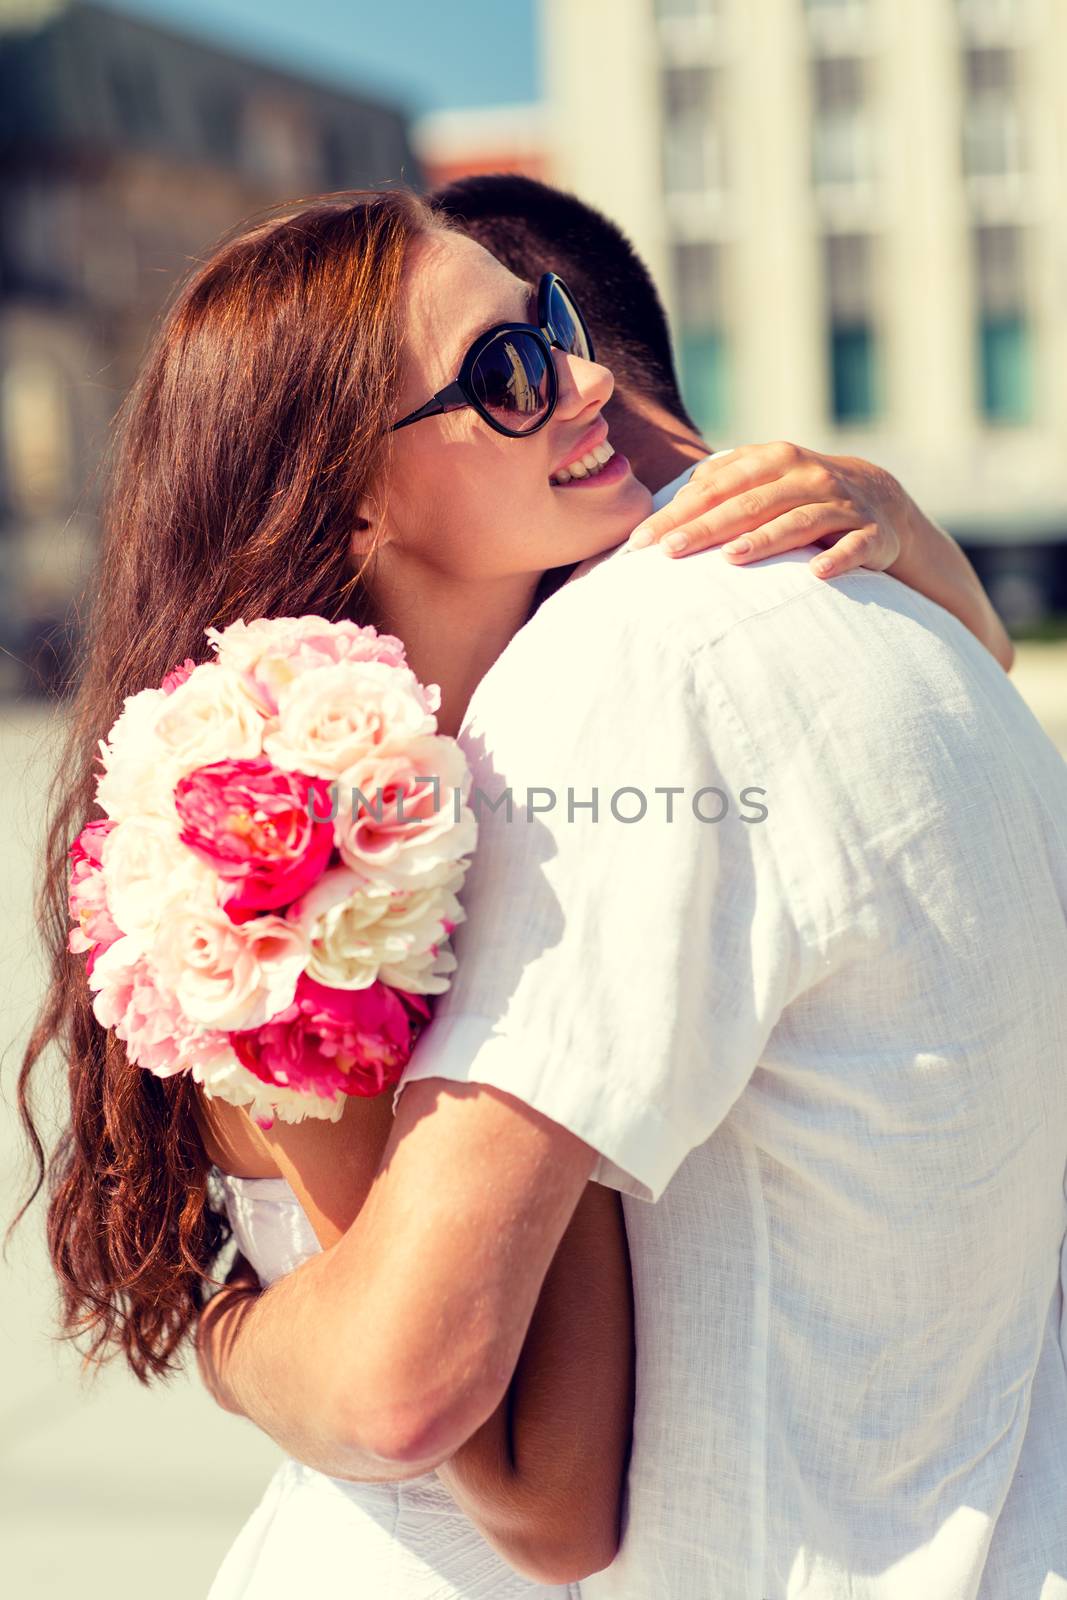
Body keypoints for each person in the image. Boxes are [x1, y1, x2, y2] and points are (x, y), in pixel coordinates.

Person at [13, 185, 1017, 1600]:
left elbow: (956, 694)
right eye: (510, 371)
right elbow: (542, 1494)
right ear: (349, 488)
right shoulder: (292, 841)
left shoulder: (483, 753)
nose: (589, 376)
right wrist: (233, 1343)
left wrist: (897, 524)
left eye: (548, 324)